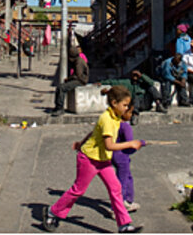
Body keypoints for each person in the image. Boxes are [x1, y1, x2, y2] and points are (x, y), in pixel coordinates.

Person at [42, 85, 144, 233]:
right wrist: (131, 144)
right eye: (125, 105)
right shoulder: (107, 119)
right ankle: (52, 212)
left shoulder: (115, 117)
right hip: (89, 159)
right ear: (114, 103)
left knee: (116, 188)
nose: (127, 108)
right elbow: (109, 145)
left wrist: (81, 143)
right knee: (78, 190)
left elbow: (94, 132)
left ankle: (124, 225)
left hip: (103, 160)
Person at [112, 100, 145, 212]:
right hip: (122, 156)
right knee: (123, 182)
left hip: (113, 154)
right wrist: (140, 143)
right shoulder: (125, 126)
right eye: (130, 112)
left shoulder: (114, 123)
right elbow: (130, 145)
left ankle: (128, 200)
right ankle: (117, 207)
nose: (131, 116)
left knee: (127, 178)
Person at [100, 70, 166, 115]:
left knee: (151, 88)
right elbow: (115, 82)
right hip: (135, 105)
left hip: (145, 103)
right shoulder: (128, 82)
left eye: (136, 75)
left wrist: (141, 76)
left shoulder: (143, 82)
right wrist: (102, 82)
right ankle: (135, 115)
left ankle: (159, 104)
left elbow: (151, 83)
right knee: (136, 96)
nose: (135, 77)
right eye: (134, 75)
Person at [51, 45, 88, 117]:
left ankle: (60, 108)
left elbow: (78, 75)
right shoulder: (77, 60)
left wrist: (69, 79)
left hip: (80, 81)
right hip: (77, 79)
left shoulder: (79, 62)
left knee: (62, 88)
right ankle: (57, 106)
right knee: (59, 87)